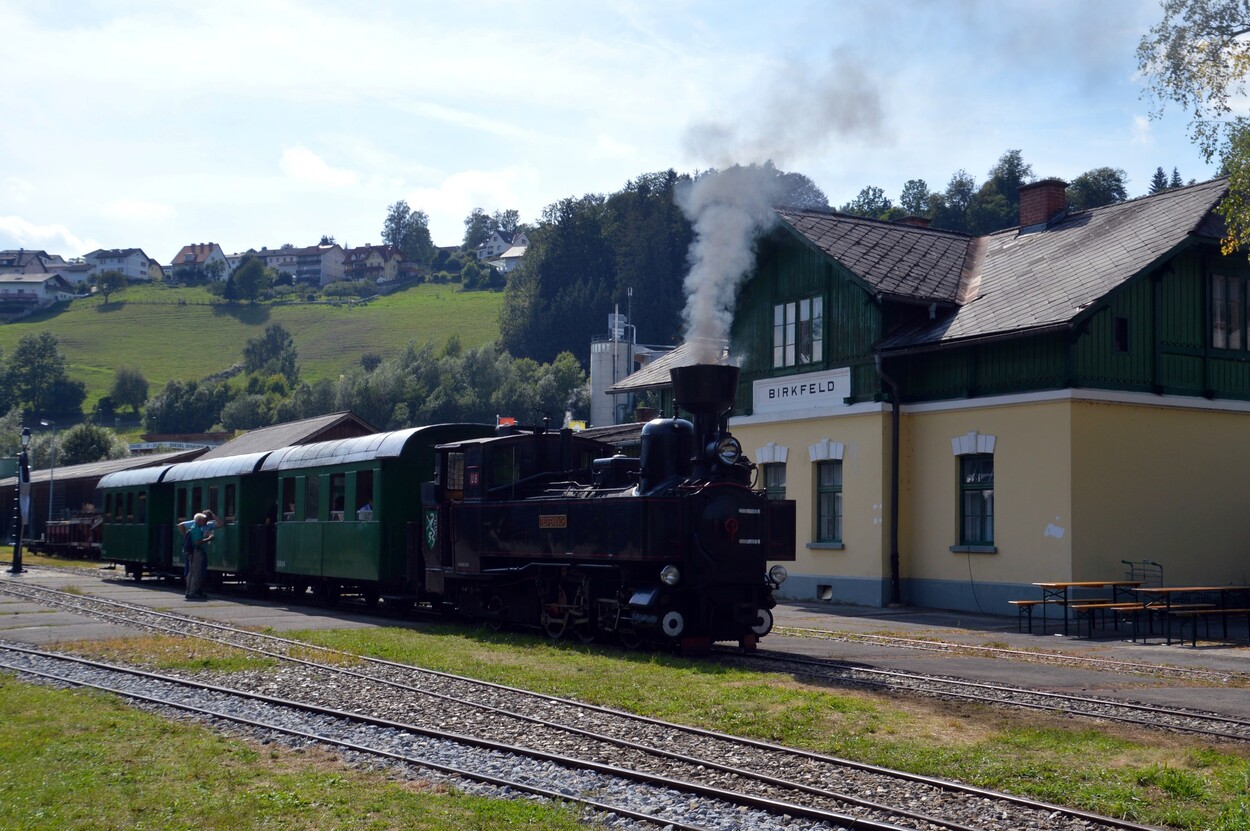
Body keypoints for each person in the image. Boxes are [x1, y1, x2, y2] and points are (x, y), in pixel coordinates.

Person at [179, 510, 217, 600]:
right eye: (204, 520)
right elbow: (197, 542)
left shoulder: (193, 528)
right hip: (196, 552)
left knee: (192, 572)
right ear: (199, 521)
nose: (206, 521)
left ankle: (190, 591)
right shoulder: (197, 530)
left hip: (193, 552)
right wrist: (209, 538)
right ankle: (192, 592)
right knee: (195, 572)